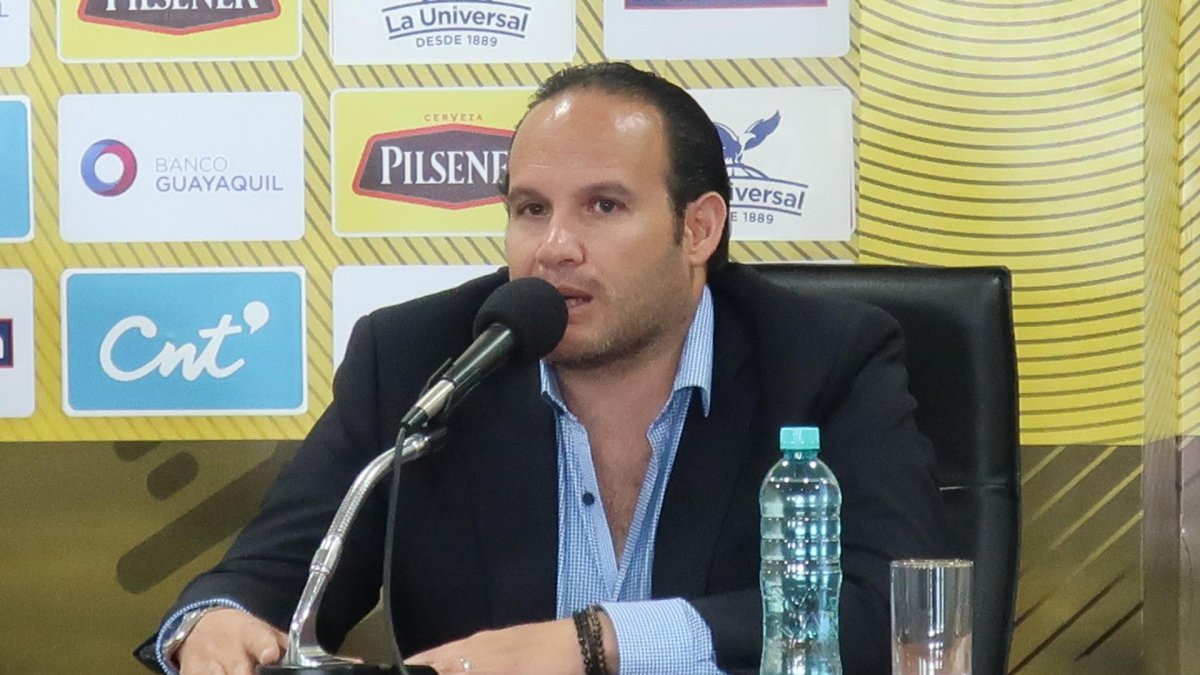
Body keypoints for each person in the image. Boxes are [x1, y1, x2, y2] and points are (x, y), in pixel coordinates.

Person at [136, 62, 945, 675]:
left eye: (604, 205)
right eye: (530, 209)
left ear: (698, 230)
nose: (553, 246)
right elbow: (276, 569)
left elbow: (895, 614)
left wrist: (597, 643)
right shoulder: (419, 359)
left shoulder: (826, 357)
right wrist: (214, 620)